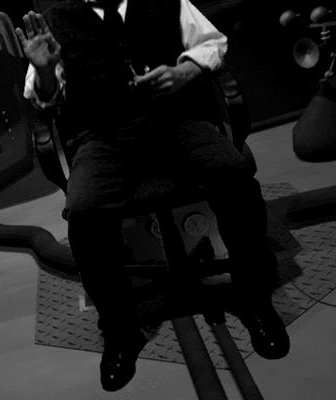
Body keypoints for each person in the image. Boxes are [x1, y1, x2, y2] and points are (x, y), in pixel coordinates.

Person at [16, 0, 290, 392]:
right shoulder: (56, 21)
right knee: (84, 210)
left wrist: (183, 72)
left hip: (175, 121)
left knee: (234, 173)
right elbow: (45, 98)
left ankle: (254, 297)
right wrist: (44, 69)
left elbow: (212, 42)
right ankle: (119, 330)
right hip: (104, 137)